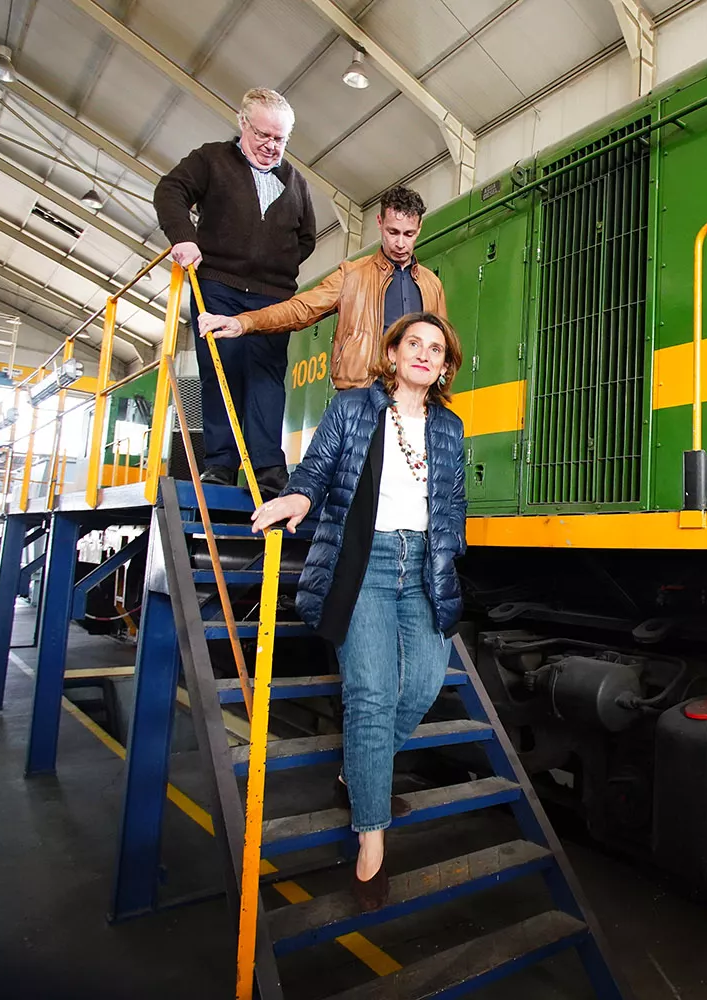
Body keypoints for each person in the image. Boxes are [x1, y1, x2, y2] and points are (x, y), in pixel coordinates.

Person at [250, 311, 466, 908]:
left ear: (444, 367)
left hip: (423, 566)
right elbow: (316, 470)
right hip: (363, 563)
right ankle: (372, 835)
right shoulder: (352, 409)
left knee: (421, 685)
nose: (423, 354)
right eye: (412, 344)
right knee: (371, 695)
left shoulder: (449, 427)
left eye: (435, 349)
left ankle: (359, 767)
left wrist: (452, 552)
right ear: (393, 354)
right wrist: (294, 495)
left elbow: (453, 504)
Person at [154, 87, 316, 498]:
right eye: (263, 135)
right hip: (218, 285)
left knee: (266, 378)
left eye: (279, 139)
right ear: (242, 124)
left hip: (272, 298)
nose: (271, 146)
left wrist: (274, 267)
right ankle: (221, 465)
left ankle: (267, 467)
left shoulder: (295, 181)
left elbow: (307, 238)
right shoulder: (212, 159)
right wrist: (183, 237)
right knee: (220, 370)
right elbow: (170, 190)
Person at [198, 185, 445, 391]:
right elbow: (300, 309)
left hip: (414, 398)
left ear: (419, 229)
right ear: (379, 222)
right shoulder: (351, 275)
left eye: (409, 234)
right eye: (393, 232)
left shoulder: (432, 285)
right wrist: (245, 322)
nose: (400, 243)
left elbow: (442, 345)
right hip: (362, 393)